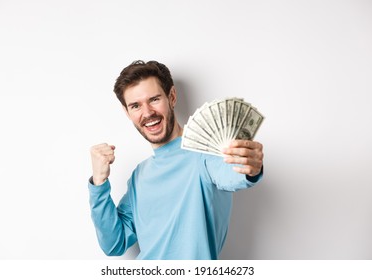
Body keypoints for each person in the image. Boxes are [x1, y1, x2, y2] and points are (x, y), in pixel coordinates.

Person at [88, 60, 264, 260]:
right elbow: (114, 244)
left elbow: (234, 174)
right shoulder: (139, 175)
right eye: (135, 106)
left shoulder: (206, 154)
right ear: (127, 112)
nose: (147, 113)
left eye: (154, 99)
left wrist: (251, 166)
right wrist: (99, 183)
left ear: (171, 97)